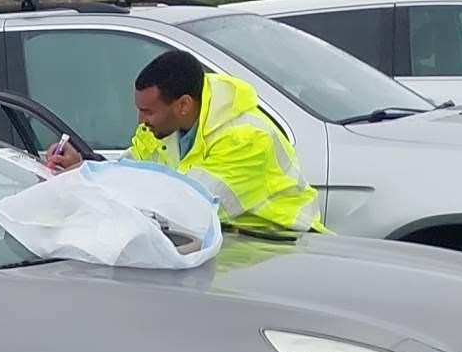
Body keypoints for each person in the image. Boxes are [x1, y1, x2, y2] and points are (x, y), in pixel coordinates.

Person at [46, 48, 323, 238]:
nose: (141, 120)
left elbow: (189, 208)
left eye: (148, 111)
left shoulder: (246, 138)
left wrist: (88, 179)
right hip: (232, 248)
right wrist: (83, 167)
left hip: (286, 250)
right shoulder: (156, 129)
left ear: (183, 105)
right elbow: (128, 176)